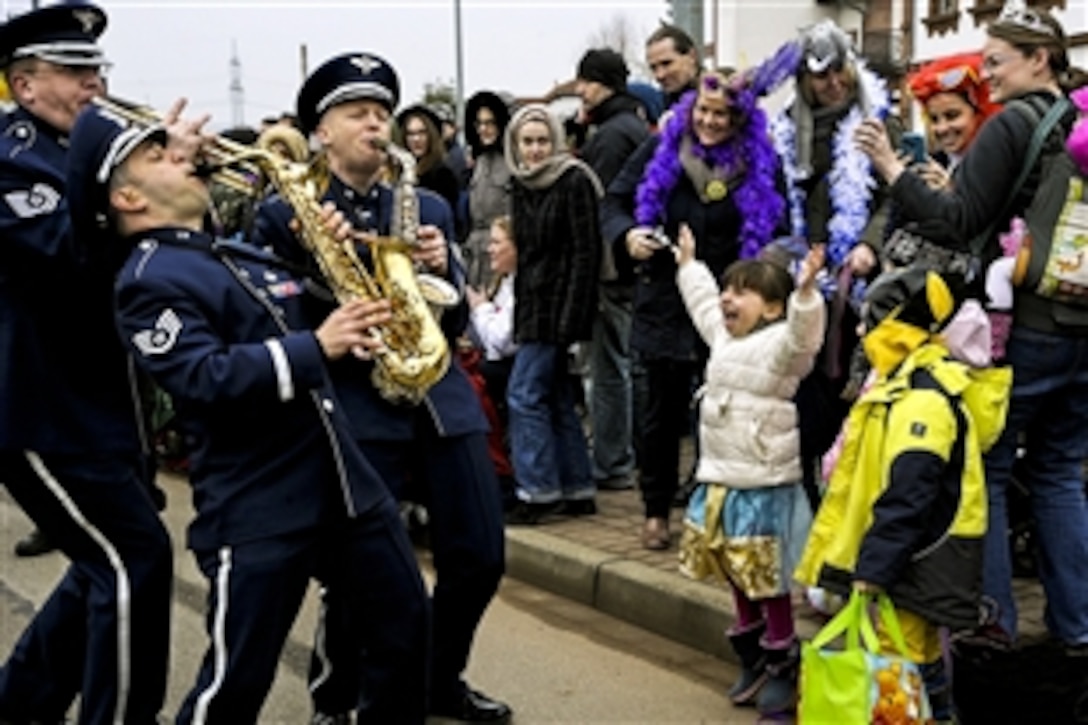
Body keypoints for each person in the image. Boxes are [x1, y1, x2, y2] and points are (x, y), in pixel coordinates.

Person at [64, 102, 430, 722]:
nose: (182, 157)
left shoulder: (232, 253)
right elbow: (204, 376)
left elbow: (314, 321)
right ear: (126, 199)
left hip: (343, 484)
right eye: (158, 156)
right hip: (259, 502)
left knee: (406, 626)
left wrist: (343, 266)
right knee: (236, 681)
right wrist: (318, 346)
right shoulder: (147, 279)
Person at [251, 52, 510, 723]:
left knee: (480, 555)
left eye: (381, 113)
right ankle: (336, 697)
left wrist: (440, 264)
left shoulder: (425, 202)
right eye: (356, 113)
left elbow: (453, 316)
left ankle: (435, 679)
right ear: (322, 132)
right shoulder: (286, 213)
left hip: (437, 398)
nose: (374, 124)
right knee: (358, 572)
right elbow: (272, 318)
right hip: (353, 401)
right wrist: (318, 262)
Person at [854, 4, 1088, 652]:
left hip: (1020, 330)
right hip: (1079, 324)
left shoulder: (1012, 122)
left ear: (1037, 59)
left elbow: (958, 220)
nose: (986, 75)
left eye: (996, 61)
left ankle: (992, 623)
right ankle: (1078, 627)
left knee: (981, 466)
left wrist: (894, 173)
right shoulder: (1081, 121)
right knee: (1059, 473)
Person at [0, 5, 174, 722]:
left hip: (105, 409)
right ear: (23, 85)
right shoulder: (11, 154)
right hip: (43, 413)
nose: (94, 84)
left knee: (98, 560)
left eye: (96, 69)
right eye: (74, 72)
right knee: (135, 562)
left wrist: (168, 177)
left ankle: (21, 703)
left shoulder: (84, 158)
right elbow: (71, 256)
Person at [796, 267, 1011, 722]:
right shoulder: (910, 385)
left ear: (899, 327)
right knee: (919, 658)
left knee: (903, 661)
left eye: (870, 321)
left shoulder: (922, 399)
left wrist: (874, 568)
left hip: (917, 559)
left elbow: (909, 493)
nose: (860, 330)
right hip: (913, 557)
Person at [602, 62, 789, 550]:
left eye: (722, 116)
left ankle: (714, 510)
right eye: (704, 111)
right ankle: (656, 509)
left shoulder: (760, 161)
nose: (709, 122)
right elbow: (616, 201)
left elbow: (781, 221)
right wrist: (629, 235)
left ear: (740, 121)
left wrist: (766, 262)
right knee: (660, 412)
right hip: (666, 297)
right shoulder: (662, 147)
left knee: (724, 411)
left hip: (731, 305)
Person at [675, 227, 825, 717]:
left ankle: (783, 658)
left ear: (773, 307)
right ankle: (754, 653)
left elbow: (806, 335)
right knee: (734, 568)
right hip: (720, 475)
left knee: (769, 576)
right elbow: (700, 304)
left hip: (764, 480)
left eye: (742, 292)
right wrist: (690, 265)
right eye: (727, 289)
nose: (727, 299)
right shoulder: (721, 335)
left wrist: (805, 293)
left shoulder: (783, 344)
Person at [769, 19, 899, 512]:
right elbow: (778, 200)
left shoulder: (877, 119)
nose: (834, 84)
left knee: (841, 394)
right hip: (804, 278)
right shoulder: (785, 129)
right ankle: (806, 509)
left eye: (840, 71)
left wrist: (868, 242)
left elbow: (896, 194)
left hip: (857, 285)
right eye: (821, 76)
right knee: (801, 400)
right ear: (803, 80)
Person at [501, 103, 602, 524]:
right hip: (533, 304)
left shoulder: (574, 180)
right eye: (528, 142)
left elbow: (585, 253)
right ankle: (577, 486)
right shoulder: (521, 184)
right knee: (555, 396)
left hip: (560, 306)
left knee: (523, 396)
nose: (537, 150)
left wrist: (572, 320)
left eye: (543, 141)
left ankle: (538, 490)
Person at [572, 48, 650, 493]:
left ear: (599, 83)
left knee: (608, 368)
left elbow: (597, 206)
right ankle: (628, 452)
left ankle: (611, 460)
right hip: (632, 262)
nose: (580, 90)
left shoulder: (609, 135)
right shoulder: (634, 125)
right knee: (630, 365)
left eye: (584, 81)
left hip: (611, 267)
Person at [462, 89, 513, 291]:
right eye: (479, 123)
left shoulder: (513, 162)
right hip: (475, 256)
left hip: (501, 252)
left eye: (490, 123)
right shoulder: (480, 162)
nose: (484, 129)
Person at [396, 103, 461, 213]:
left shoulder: (443, 175)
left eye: (422, 133)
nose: (416, 139)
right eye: (410, 134)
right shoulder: (400, 170)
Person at [645, 24, 701, 109]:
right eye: (653, 68)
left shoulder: (718, 98)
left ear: (692, 56)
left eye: (666, 63)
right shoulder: (660, 107)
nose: (660, 75)